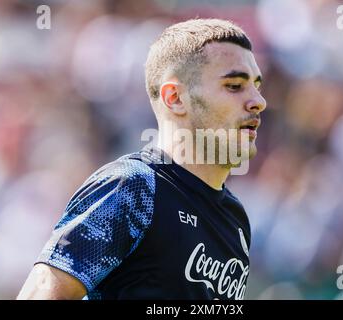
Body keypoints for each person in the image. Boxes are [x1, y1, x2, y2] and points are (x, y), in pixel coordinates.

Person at [17, 18, 266, 300]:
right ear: (175, 98)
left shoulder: (235, 219)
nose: (258, 100)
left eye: (257, 85)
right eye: (235, 85)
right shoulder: (135, 186)